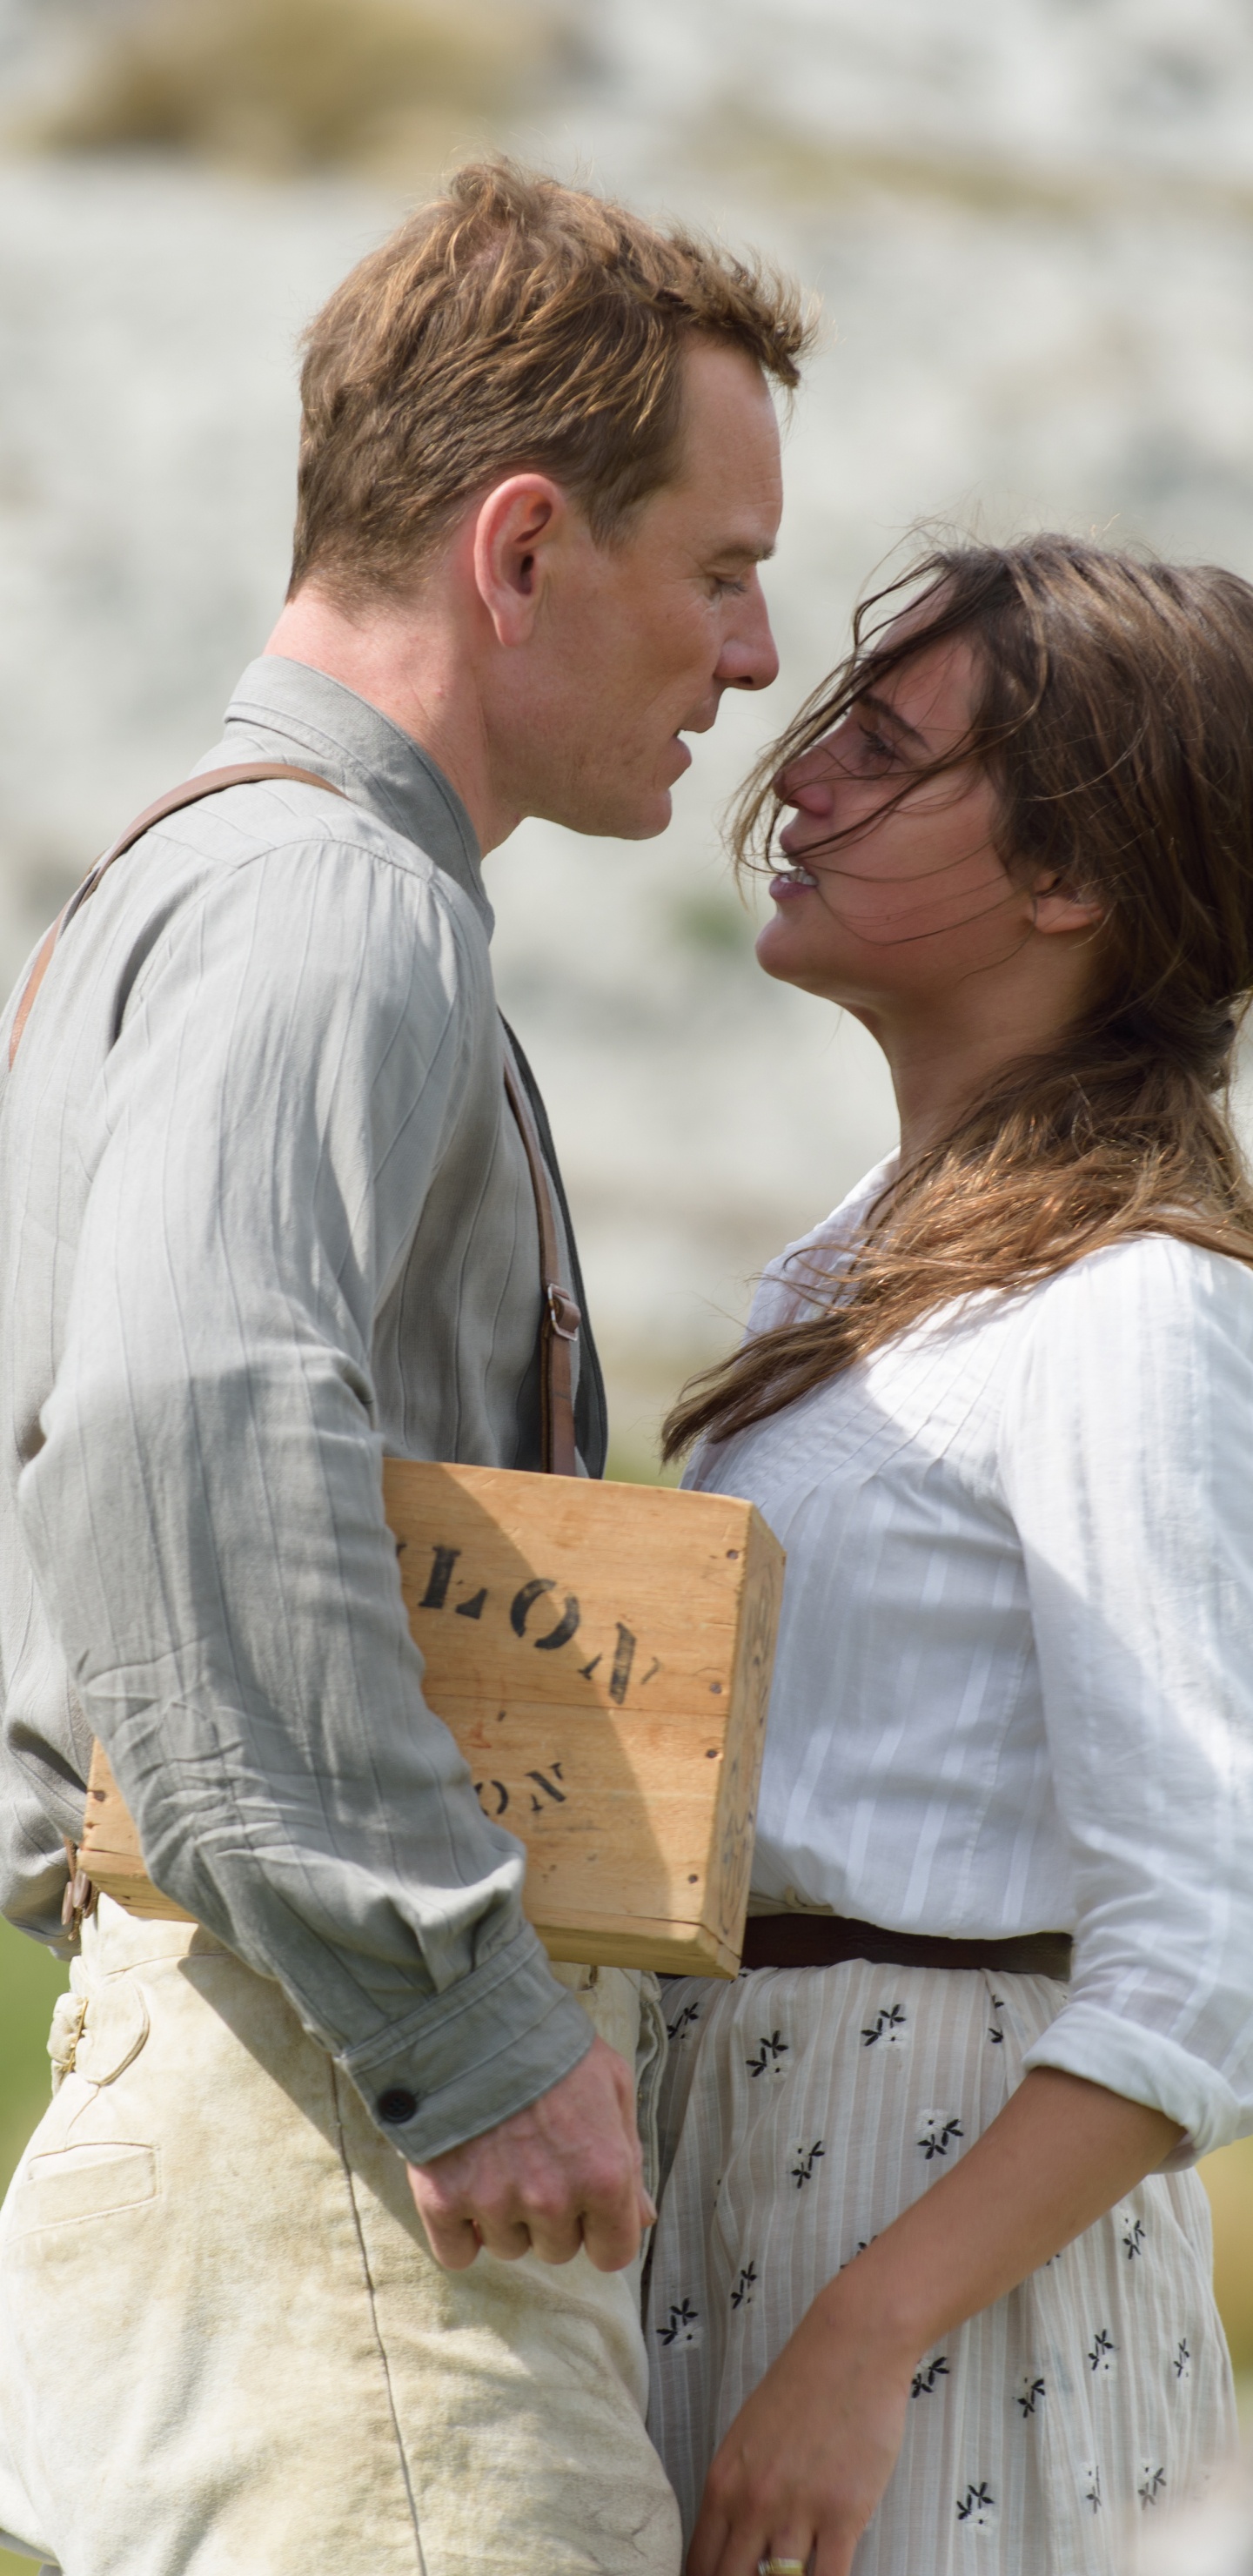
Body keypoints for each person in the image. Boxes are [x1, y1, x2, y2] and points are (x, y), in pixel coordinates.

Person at [0, 161, 807, 2576]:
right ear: (525, 548)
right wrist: (468, 2031)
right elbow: (182, 1421)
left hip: (257, 2085)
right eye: (724, 569)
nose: (755, 659)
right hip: (353, 2162)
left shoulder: (194, 876)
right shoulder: (333, 906)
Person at [647, 534, 1253, 2576]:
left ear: (1074, 877)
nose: (799, 775)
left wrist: (866, 2329)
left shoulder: (1128, 1303)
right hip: (749, 2181)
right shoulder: (853, 1261)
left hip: (927, 2249)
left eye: (888, 749)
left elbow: (1212, 1954)